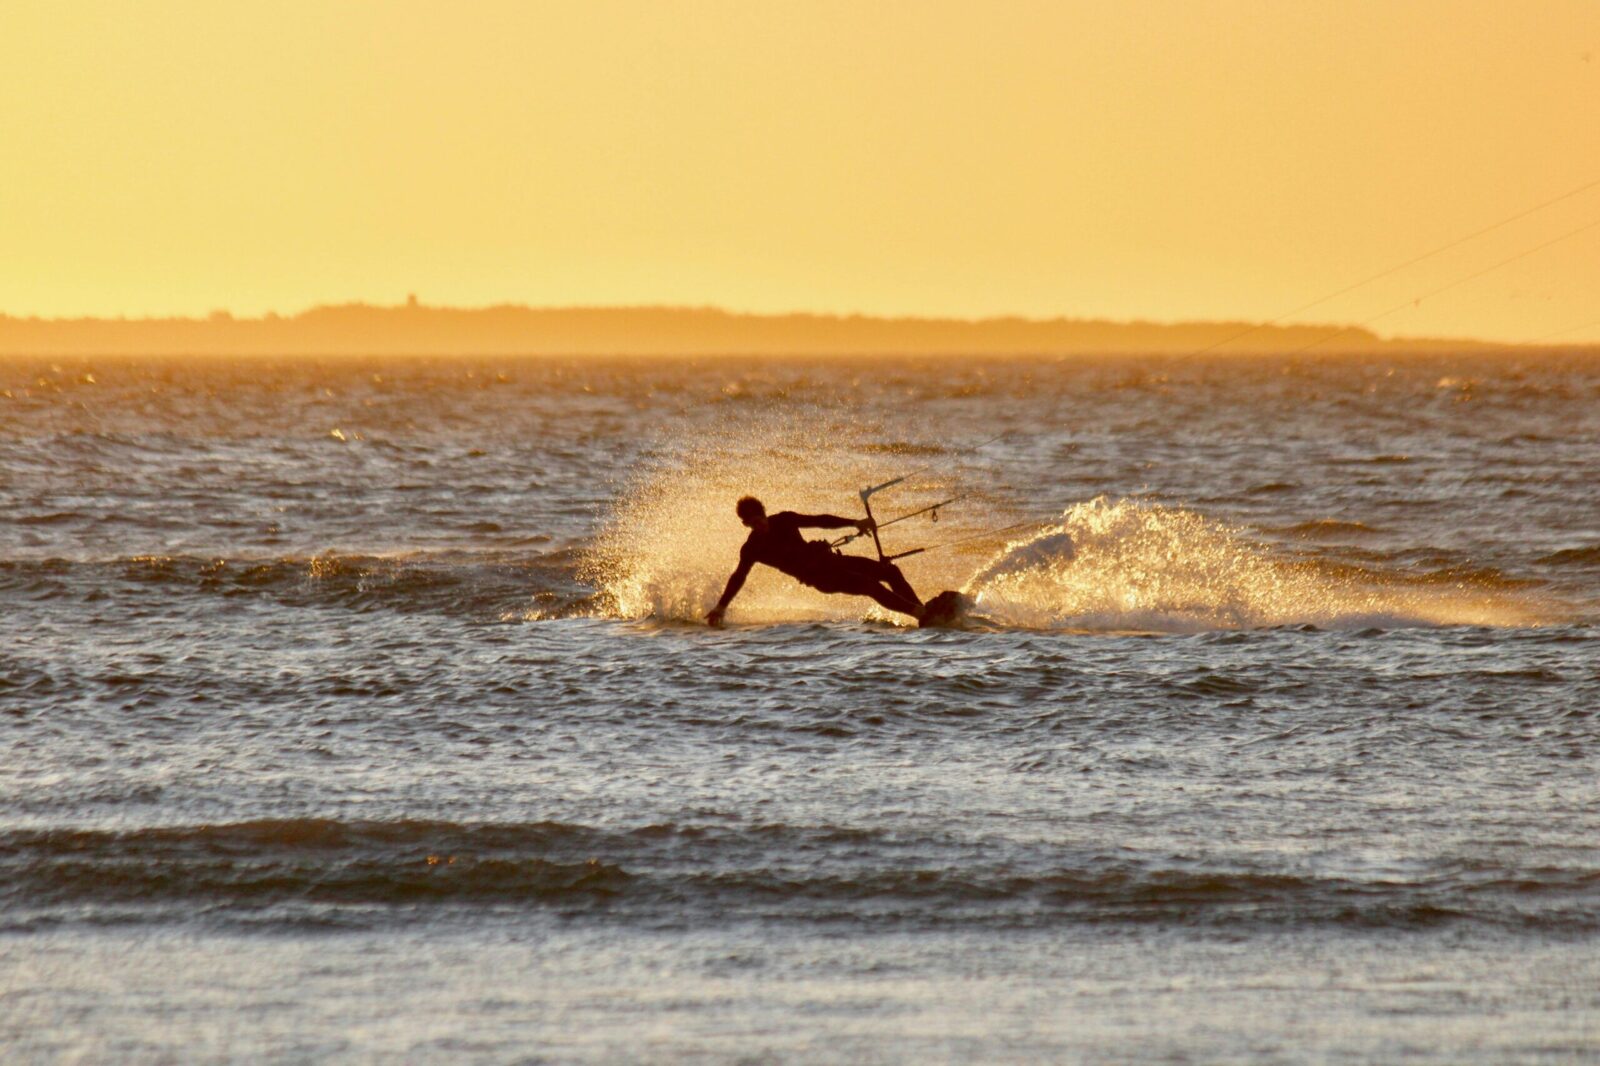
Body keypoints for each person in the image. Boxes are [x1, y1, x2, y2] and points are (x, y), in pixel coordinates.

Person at [706, 496, 925, 626]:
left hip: (832, 561)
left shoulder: (785, 520)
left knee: (891, 572)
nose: (760, 525)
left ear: (764, 513)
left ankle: (923, 613)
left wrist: (855, 523)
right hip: (821, 578)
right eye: (754, 523)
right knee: (870, 586)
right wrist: (721, 607)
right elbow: (738, 577)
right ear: (746, 524)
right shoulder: (752, 548)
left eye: (760, 519)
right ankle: (919, 614)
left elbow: (821, 521)